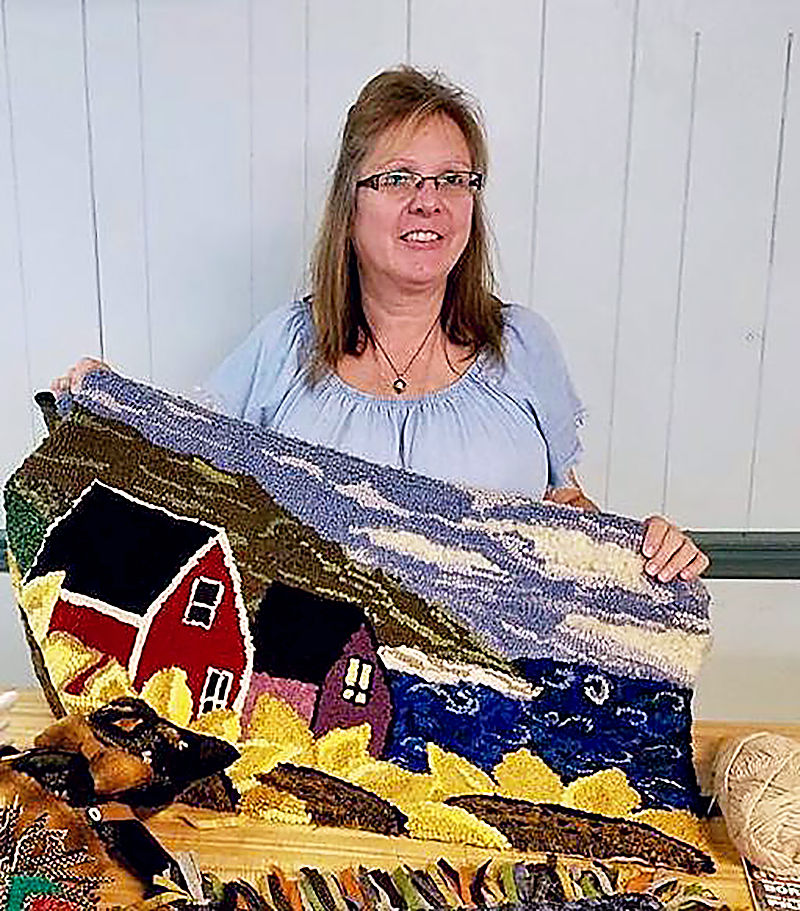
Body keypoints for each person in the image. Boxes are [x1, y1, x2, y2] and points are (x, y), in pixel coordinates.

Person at [52, 67, 709, 583]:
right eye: (398, 178)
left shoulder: (524, 346)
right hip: (308, 694)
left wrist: (645, 550)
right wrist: (113, 413)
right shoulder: (283, 348)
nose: (429, 201)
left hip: (498, 699)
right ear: (351, 201)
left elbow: (572, 522)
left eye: (452, 179)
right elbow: (183, 482)